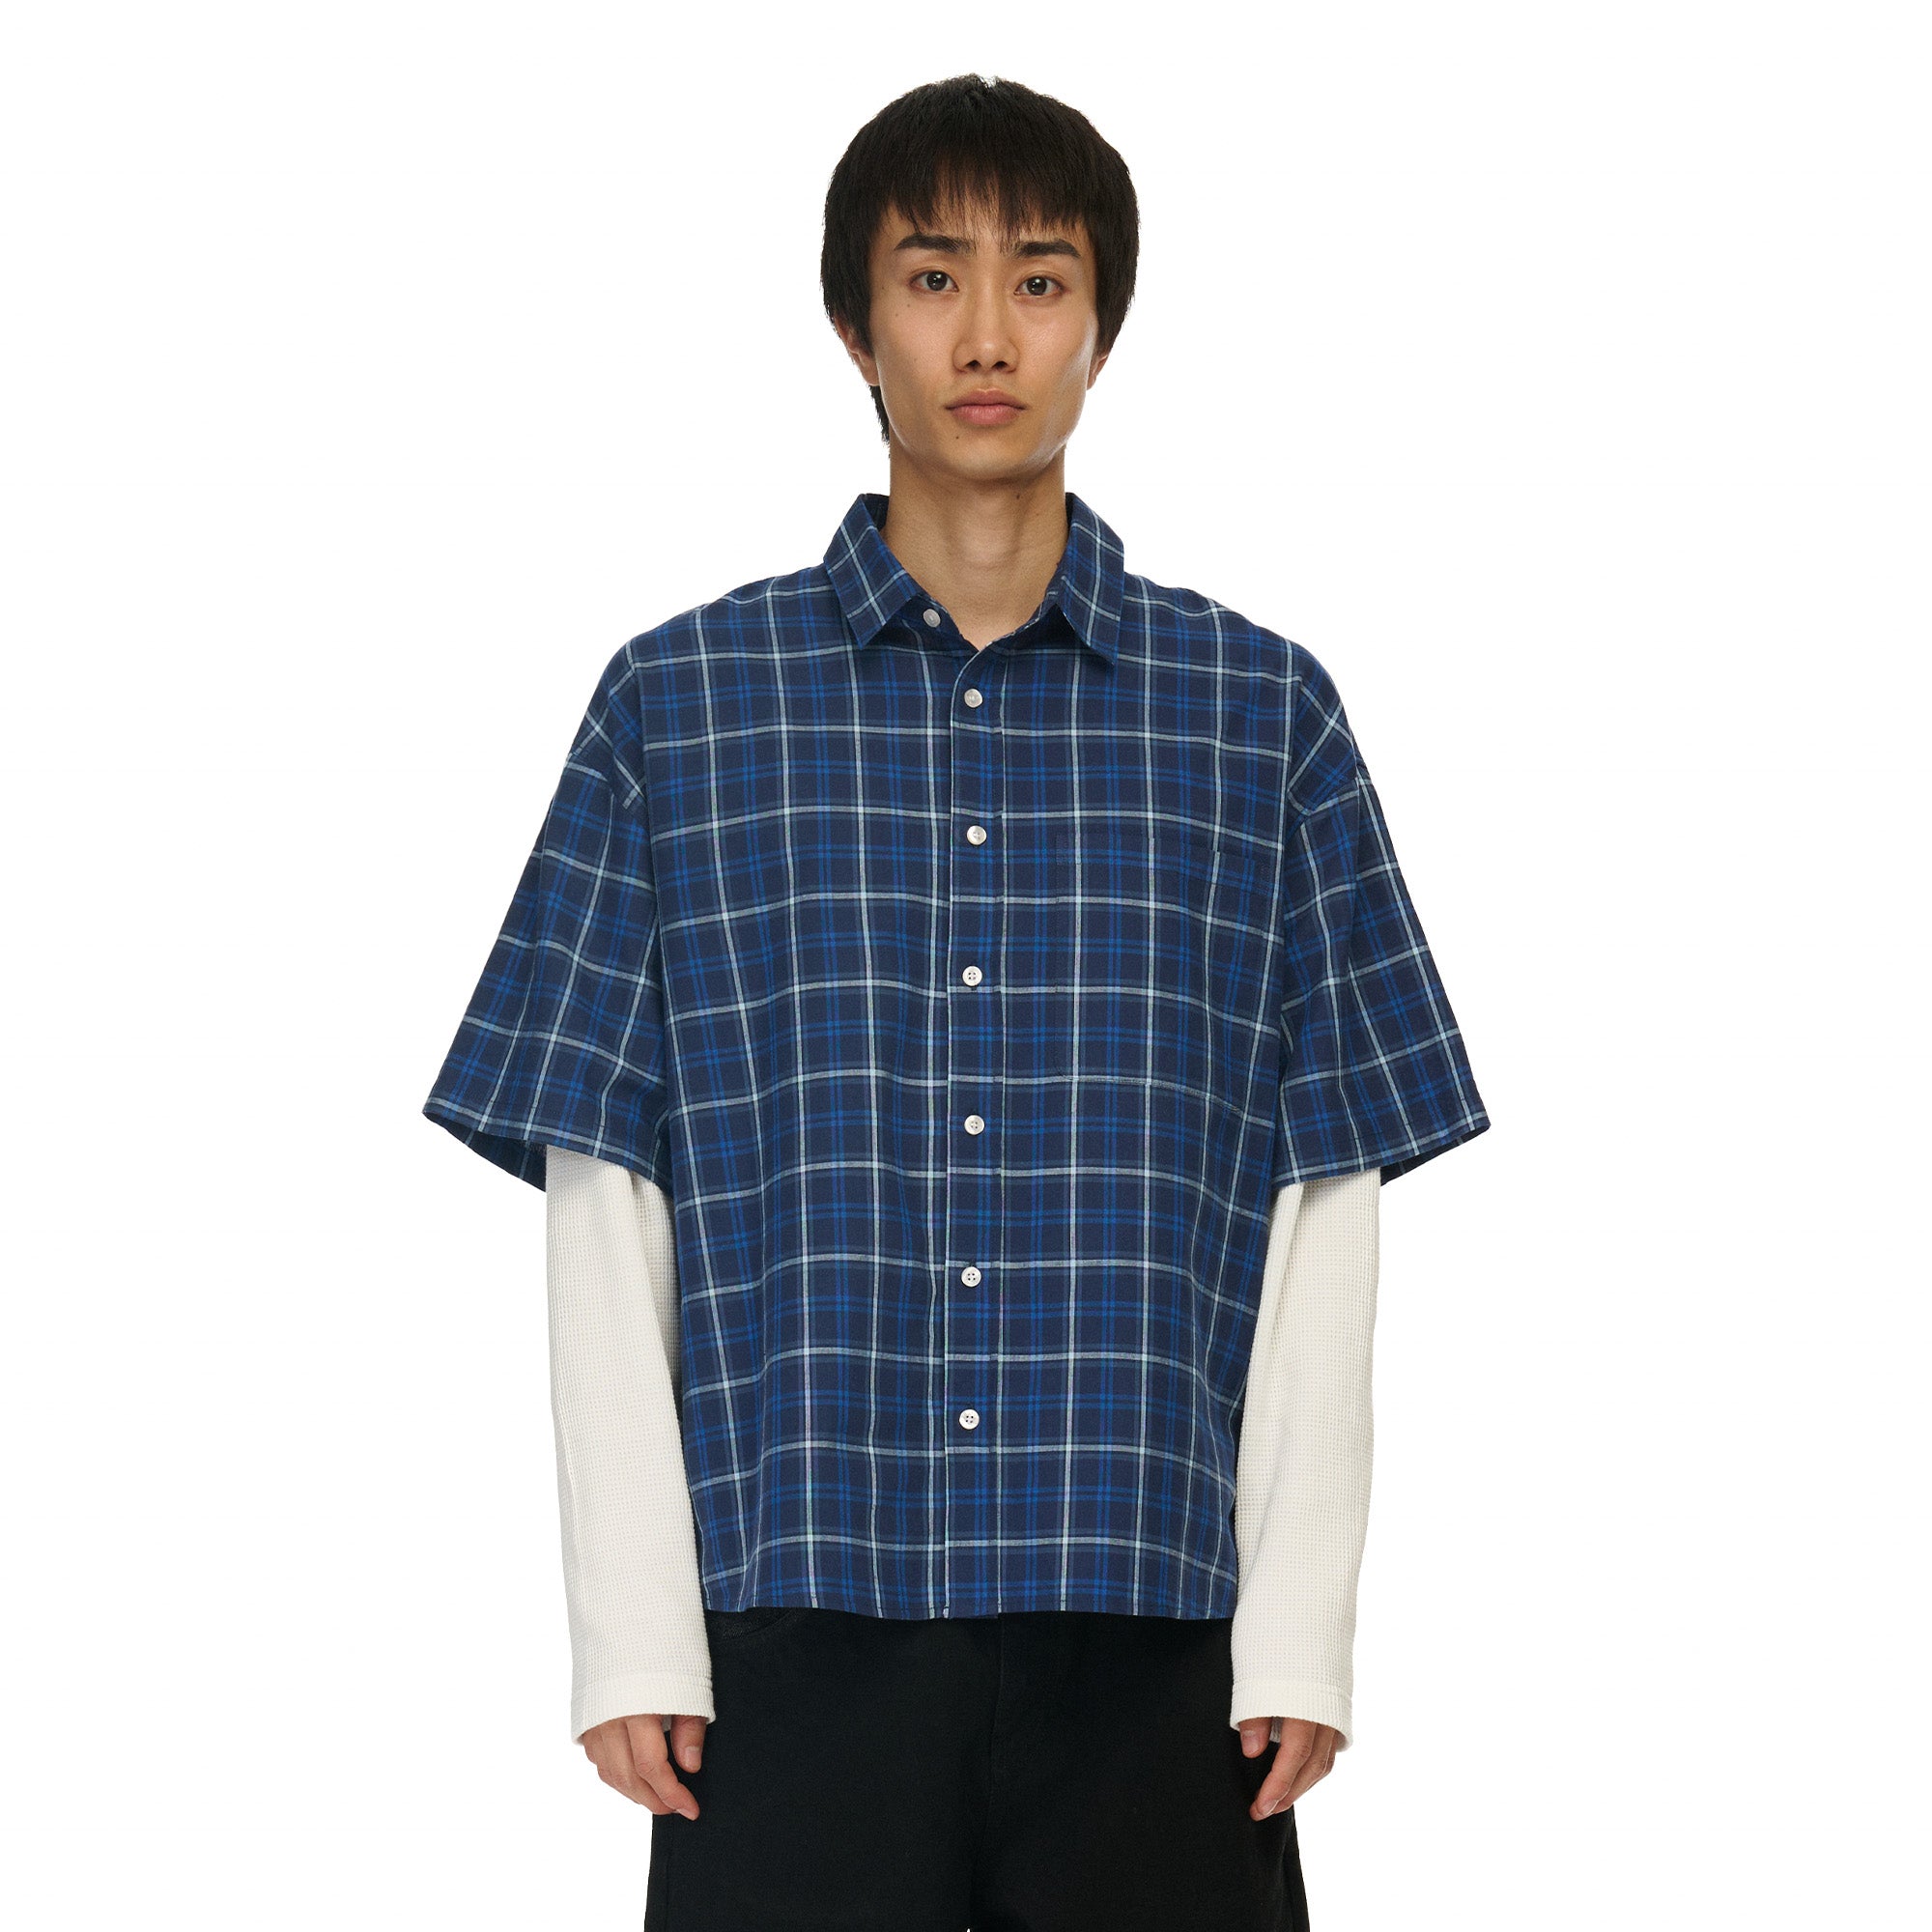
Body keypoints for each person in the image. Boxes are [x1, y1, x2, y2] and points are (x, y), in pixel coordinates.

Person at [424, 72, 1487, 1932]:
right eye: (933, 278)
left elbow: (1326, 1182)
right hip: (790, 1618)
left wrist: (1300, 1621)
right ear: (856, 324)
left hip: (1156, 1623)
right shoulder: (683, 708)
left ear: (1103, 326)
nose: (988, 335)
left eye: (1041, 280)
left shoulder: (1263, 721)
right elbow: (608, 1176)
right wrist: (632, 1629)